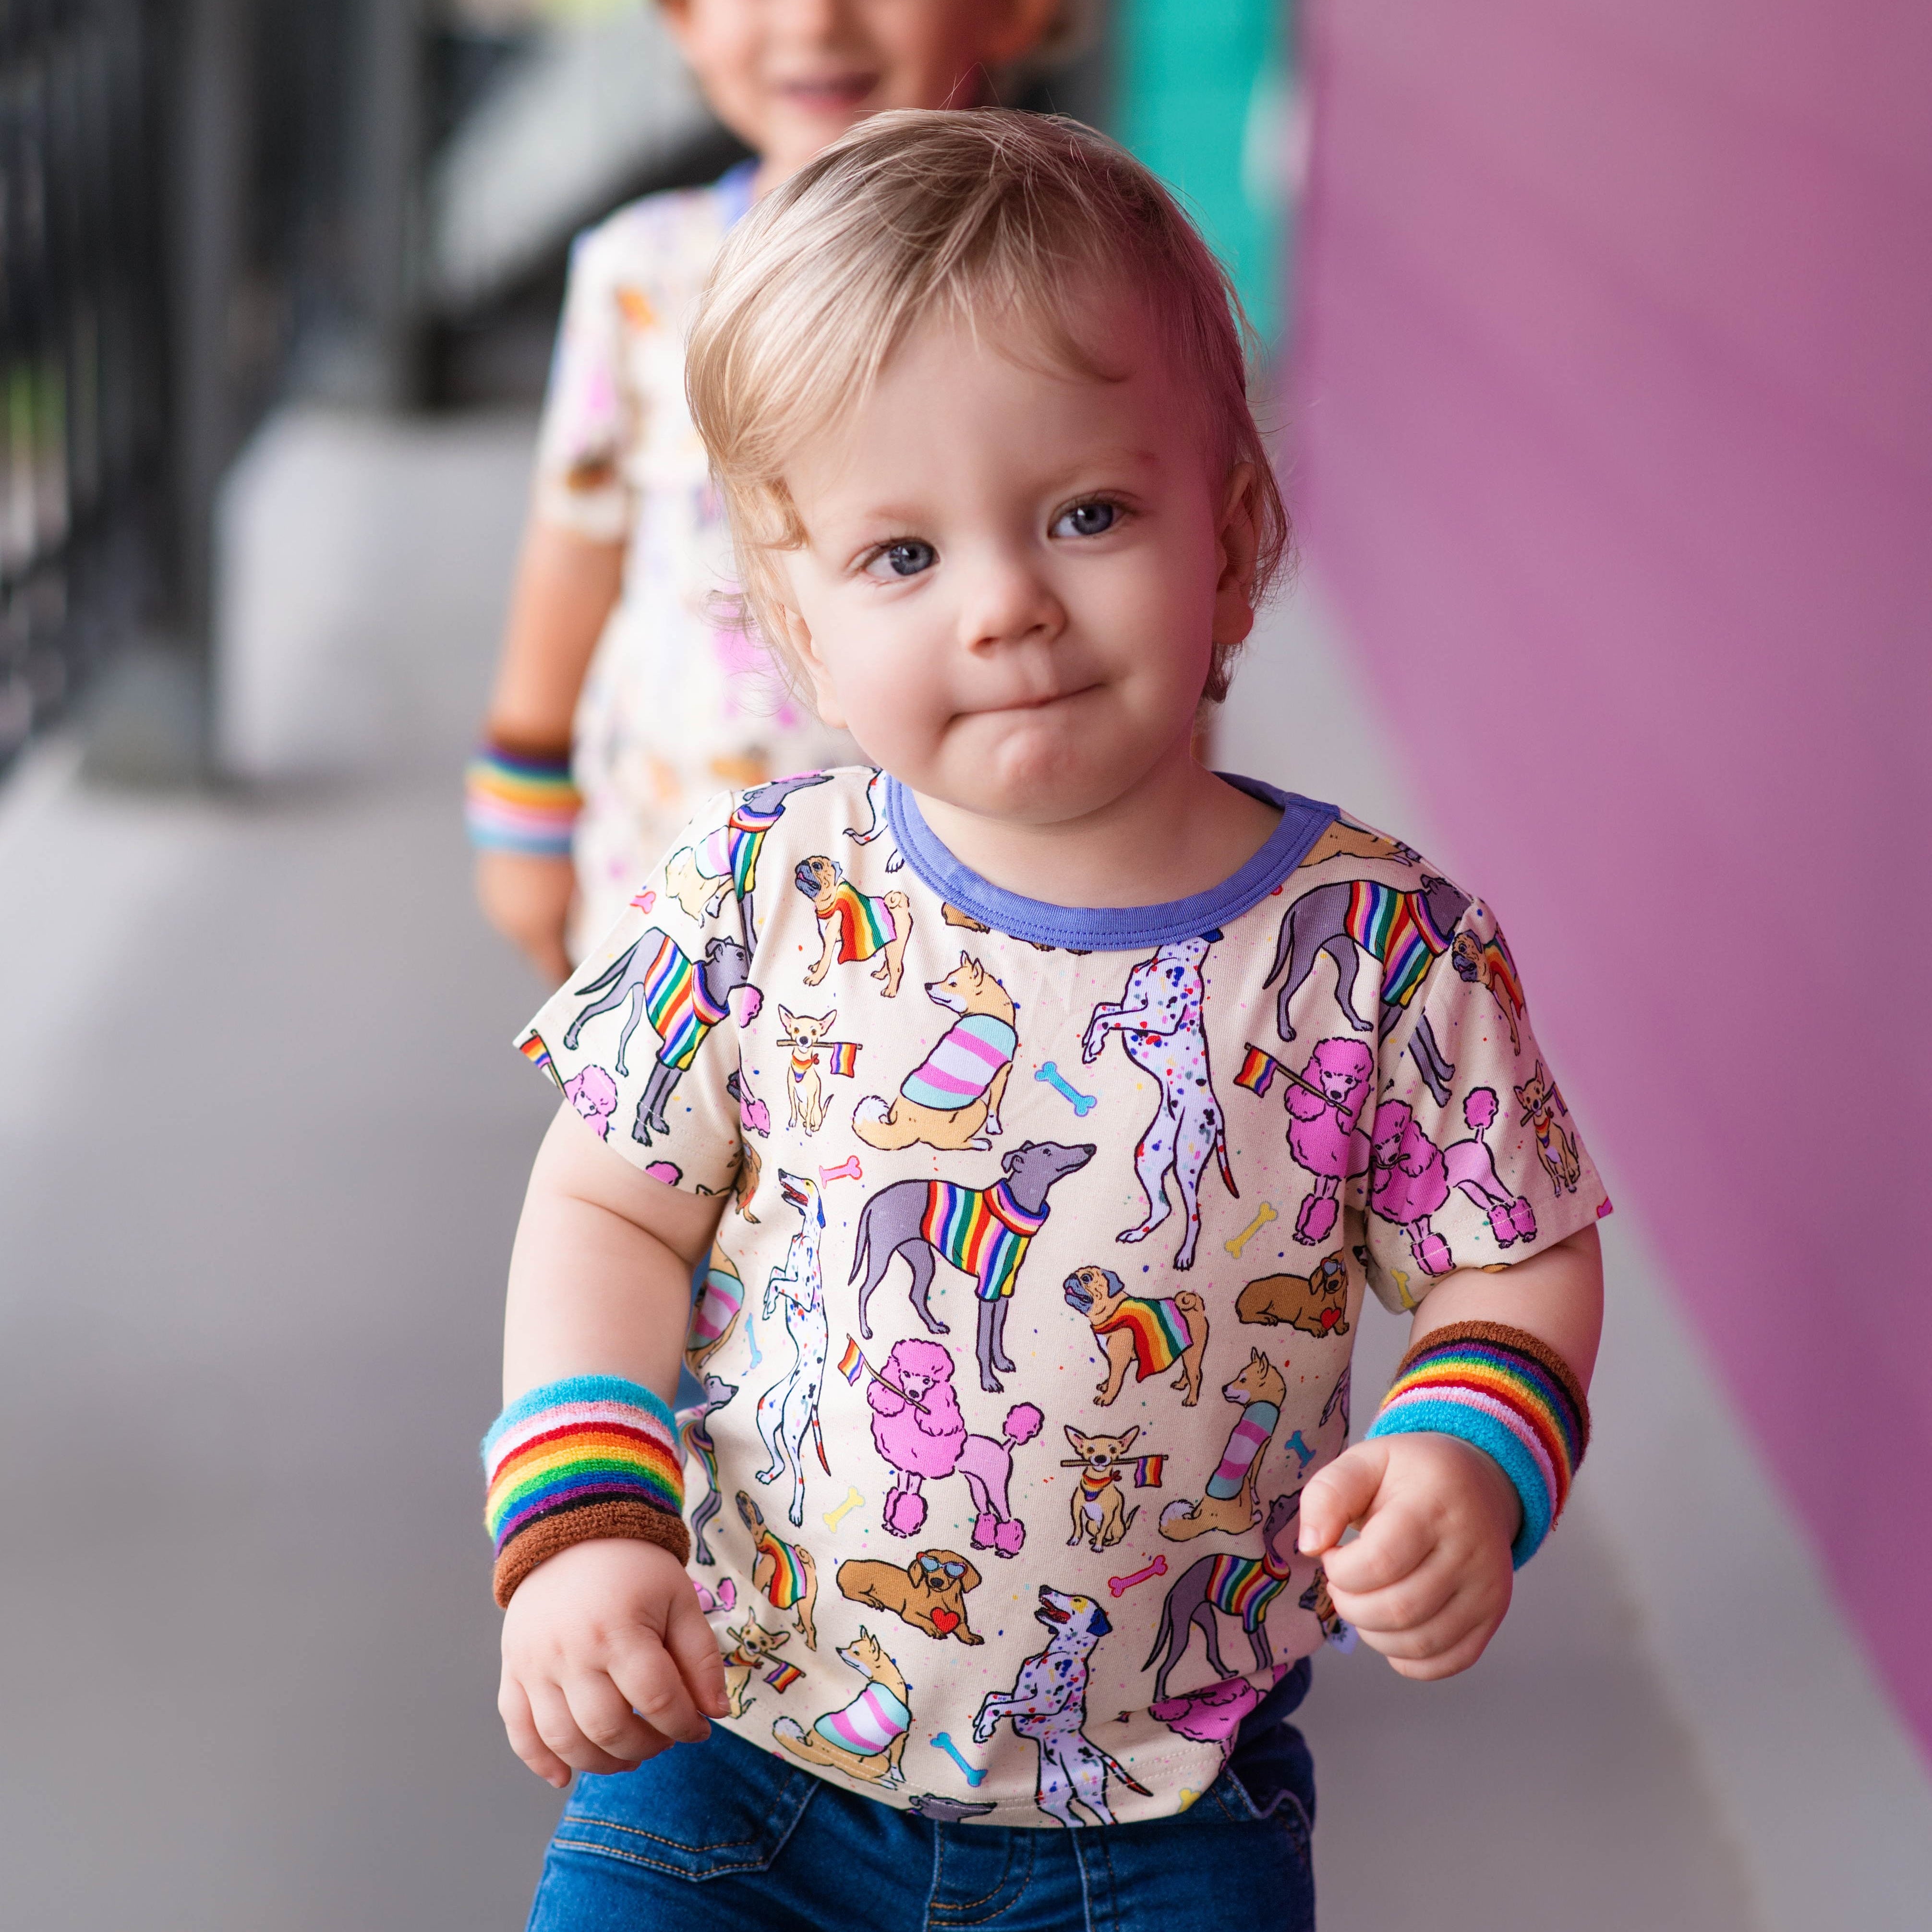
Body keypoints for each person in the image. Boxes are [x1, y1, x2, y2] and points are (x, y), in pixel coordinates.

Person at [483, 112, 1609, 1931]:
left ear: (1233, 528)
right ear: (794, 623)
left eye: (1086, 513)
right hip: (734, 1751)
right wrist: (581, 1520)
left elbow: (1517, 1263)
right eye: (902, 556)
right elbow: (609, 1202)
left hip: (1165, 1814)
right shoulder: (761, 897)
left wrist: (1470, 1447)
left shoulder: (1383, 953)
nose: (1006, 604)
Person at [468, 0, 1076, 981]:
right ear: (680, 19)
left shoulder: (1069, 289)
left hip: (966, 924)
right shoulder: (643, 276)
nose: (812, 18)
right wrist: (522, 810)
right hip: (669, 888)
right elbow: (573, 551)